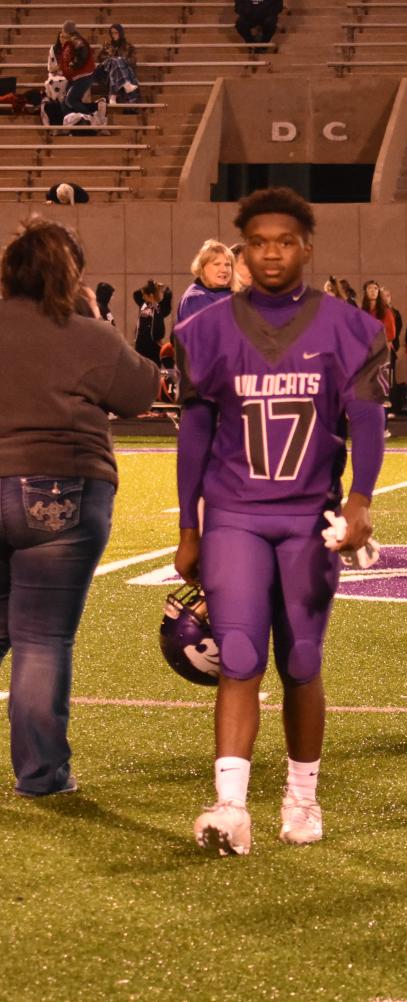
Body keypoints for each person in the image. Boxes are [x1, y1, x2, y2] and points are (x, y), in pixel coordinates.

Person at [173, 187, 388, 856]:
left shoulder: (350, 327)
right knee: (239, 653)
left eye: (284, 241)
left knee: (300, 659)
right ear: (243, 250)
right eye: (258, 242)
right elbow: (194, 433)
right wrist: (188, 526)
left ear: (306, 249)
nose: (271, 252)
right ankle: (230, 808)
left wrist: (360, 500)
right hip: (234, 512)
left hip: (307, 515)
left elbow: (369, 421)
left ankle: (302, 794)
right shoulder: (204, 330)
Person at [0, 218, 158, 797]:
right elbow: (142, 392)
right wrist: (95, 319)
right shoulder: (85, 332)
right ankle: (41, 775)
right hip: (59, 488)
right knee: (42, 639)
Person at [176, 239, 235, 328]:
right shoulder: (196, 299)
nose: (224, 270)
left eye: (227, 264)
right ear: (202, 267)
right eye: (217, 264)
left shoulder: (227, 294)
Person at [48, 23, 95, 116]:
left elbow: (82, 55)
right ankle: (71, 122)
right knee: (65, 101)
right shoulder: (71, 41)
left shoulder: (77, 40)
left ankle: (91, 116)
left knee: (71, 100)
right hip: (75, 77)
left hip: (82, 76)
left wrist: (72, 65)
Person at [95, 23, 142, 104]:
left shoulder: (128, 46)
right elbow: (100, 58)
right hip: (106, 72)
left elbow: (133, 61)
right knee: (115, 61)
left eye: (116, 33)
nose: (114, 35)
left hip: (121, 72)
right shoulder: (106, 45)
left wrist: (122, 61)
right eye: (112, 33)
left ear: (121, 33)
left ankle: (113, 95)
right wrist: (115, 60)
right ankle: (126, 84)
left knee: (118, 62)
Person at [132, 280, 172, 364]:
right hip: (144, 347)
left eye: (144, 295)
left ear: (150, 295)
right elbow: (136, 294)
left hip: (150, 347)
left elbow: (167, 299)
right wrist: (151, 286)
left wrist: (163, 287)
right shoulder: (145, 305)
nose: (142, 297)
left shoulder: (157, 307)